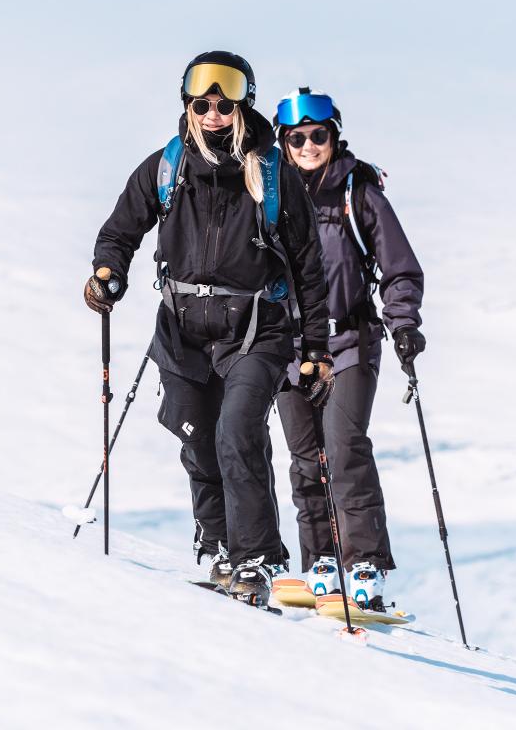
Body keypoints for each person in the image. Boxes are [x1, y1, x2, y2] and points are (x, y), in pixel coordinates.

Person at [84, 53, 334, 607]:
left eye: (226, 104)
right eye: (204, 104)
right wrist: (107, 273)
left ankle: (257, 559)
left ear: (243, 104)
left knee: (236, 433)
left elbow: (308, 267)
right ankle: (217, 544)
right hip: (181, 330)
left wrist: (317, 349)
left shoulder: (273, 174)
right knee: (196, 438)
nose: (215, 114)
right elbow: (119, 232)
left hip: (256, 329)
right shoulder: (165, 168)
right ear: (189, 107)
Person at [271, 87, 425, 611]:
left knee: (344, 448)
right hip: (289, 346)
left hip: (349, 340)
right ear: (283, 144)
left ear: (334, 135)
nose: (309, 145)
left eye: (319, 135)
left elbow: (400, 268)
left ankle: (364, 564)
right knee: (303, 457)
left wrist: (403, 322)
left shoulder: (359, 193)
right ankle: (319, 560)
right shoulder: (269, 197)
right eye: (297, 138)